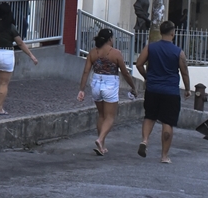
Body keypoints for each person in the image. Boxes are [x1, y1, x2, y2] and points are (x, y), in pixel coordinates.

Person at [134, 20, 191, 162]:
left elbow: (139, 64)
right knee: (167, 122)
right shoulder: (178, 52)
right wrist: (188, 89)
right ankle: (164, 156)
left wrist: (147, 77)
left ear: (160, 32)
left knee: (150, 116)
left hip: (153, 89)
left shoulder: (150, 48)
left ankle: (145, 140)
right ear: (173, 33)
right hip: (170, 91)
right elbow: (184, 72)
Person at [77, 28, 137, 155]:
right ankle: (100, 139)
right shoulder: (116, 53)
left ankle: (101, 147)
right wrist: (133, 87)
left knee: (102, 115)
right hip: (110, 84)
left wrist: (81, 89)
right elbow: (125, 73)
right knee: (110, 117)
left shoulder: (93, 53)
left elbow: (86, 71)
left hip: (96, 83)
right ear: (110, 39)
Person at [0, 2, 38, 115]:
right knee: (3, 83)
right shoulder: (11, 27)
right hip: (7, 54)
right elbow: (20, 43)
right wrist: (32, 56)